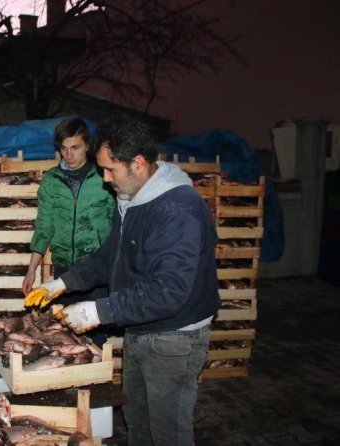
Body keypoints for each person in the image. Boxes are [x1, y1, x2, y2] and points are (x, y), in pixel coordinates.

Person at [25, 115, 220, 446]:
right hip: (140, 326)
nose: (104, 178)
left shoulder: (177, 210)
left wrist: (97, 312)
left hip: (175, 337)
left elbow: (168, 290)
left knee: (168, 431)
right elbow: (110, 254)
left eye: (110, 170)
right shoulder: (130, 198)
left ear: (139, 164)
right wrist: (63, 284)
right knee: (138, 422)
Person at [21, 116, 115, 343]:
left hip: (97, 270)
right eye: (64, 148)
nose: (69, 155)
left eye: (75, 147)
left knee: (97, 333)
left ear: (88, 146)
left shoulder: (105, 178)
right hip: (64, 270)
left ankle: (97, 377)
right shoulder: (52, 181)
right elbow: (44, 225)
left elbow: (116, 223)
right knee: (66, 333)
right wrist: (31, 269)